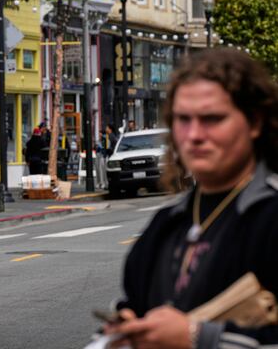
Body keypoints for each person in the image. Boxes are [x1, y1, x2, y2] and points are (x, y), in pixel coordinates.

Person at [104, 49, 278, 348]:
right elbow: (132, 304)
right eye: (183, 119)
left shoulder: (270, 218)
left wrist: (197, 337)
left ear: (254, 123)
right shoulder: (165, 225)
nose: (194, 135)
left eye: (212, 119)